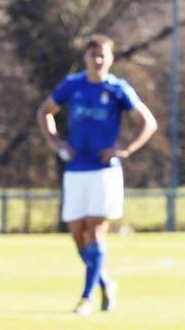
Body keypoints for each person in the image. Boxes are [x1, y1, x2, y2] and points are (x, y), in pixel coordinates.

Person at [37, 34, 157, 315]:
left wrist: (125, 149)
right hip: (75, 169)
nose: (98, 60)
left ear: (111, 58)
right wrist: (56, 143)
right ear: (86, 58)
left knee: (95, 229)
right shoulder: (73, 85)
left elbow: (148, 122)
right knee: (77, 233)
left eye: (103, 55)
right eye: (93, 55)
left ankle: (86, 298)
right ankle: (105, 282)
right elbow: (45, 111)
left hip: (104, 171)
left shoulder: (118, 89)